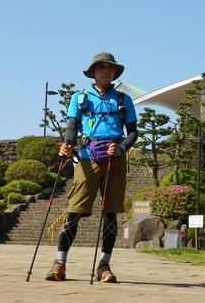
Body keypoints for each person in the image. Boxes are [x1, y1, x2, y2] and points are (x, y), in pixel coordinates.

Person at [45, 52, 138, 283]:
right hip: (86, 157)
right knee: (75, 210)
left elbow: (133, 132)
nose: (106, 71)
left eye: (110, 68)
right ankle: (60, 262)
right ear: (93, 72)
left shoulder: (123, 99)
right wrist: (67, 145)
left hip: (114, 160)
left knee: (110, 213)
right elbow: (72, 126)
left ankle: (104, 265)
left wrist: (122, 149)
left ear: (115, 72)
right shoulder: (79, 97)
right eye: (101, 67)